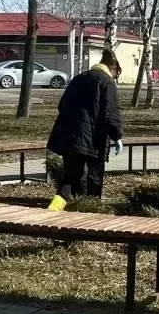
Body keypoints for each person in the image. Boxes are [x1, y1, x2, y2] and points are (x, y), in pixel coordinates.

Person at [48, 49, 123, 200]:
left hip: (70, 135)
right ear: (113, 68)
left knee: (70, 177)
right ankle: (92, 207)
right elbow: (110, 112)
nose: (115, 78)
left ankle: (59, 205)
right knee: (94, 176)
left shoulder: (78, 78)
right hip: (94, 139)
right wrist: (117, 136)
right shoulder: (107, 82)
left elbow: (62, 105)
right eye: (117, 75)